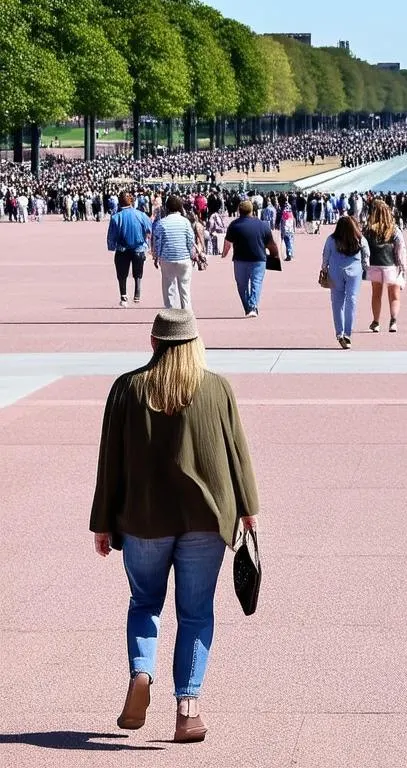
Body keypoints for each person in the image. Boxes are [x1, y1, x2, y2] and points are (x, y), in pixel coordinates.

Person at [89, 310, 259, 743]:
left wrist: (102, 522)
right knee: (196, 612)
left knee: (145, 602)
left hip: (143, 518)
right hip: (206, 518)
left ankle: (141, 674)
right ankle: (188, 710)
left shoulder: (127, 388)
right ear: (195, 344)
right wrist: (248, 508)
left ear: (153, 343)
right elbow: (237, 452)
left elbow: (110, 461)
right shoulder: (217, 387)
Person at [222, 199, 280, 318]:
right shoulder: (262, 225)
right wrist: (275, 255)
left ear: (239, 210)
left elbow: (227, 243)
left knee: (241, 285)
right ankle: (252, 307)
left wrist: (224, 253)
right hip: (259, 259)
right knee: (256, 282)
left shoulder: (234, 225)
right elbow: (271, 244)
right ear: (252, 210)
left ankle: (248, 307)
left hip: (240, 259)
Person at [321, 215, 370, 348]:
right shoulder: (360, 238)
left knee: (337, 303)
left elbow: (325, 254)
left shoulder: (331, 239)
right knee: (352, 300)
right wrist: (366, 268)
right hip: (354, 273)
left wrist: (324, 269)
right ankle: (348, 333)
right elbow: (366, 254)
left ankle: (339, 333)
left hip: (335, 272)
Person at [363, 198, 407, 334]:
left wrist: (364, 265)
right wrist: (403, 266)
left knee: (376, 294)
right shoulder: (394, 230)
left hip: (375, 264)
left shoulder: (368, 229)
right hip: (390, 265)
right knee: (394, 294)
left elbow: (364, 248)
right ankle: (393, 321)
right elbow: (400, 248)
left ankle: (376, 322)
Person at [106, 191, 152, 308]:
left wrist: (112, 246)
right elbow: (149, 230)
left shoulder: (116, 217)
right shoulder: (141, 215)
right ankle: (137, 292)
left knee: (122, 274)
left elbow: (112, 235)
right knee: (138, 272)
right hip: (138, 248)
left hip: (122, 249)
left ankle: (123, 295)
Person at [151, 195, 196, 310]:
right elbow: (190, 241)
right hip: (184, 258)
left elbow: (158, 242)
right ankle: (187, 317)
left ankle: (171, 316)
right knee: (185, 290)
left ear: (167, 207)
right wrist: (192, 255)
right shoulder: (186, 222)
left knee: (169, 289)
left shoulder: (162, 223)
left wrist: (157, 257)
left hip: (167, 258)